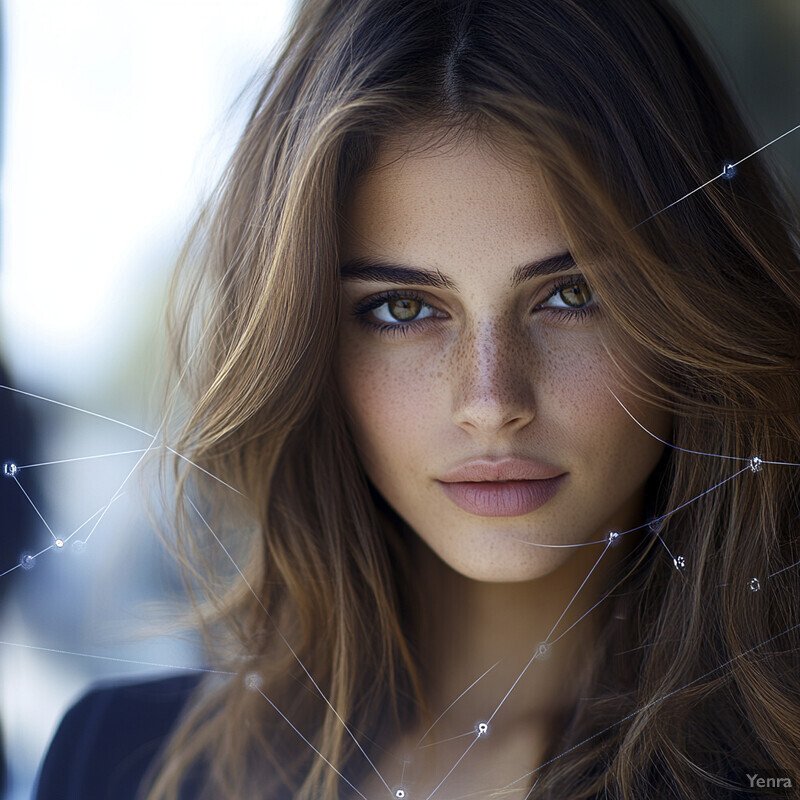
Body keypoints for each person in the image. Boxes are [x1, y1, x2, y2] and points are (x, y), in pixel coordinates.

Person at [35, 0, 800, 798]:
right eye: (404, 308)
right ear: (310, 350)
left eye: (575, 294)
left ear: (698, 304)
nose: (491, 400)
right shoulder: (115, 764)